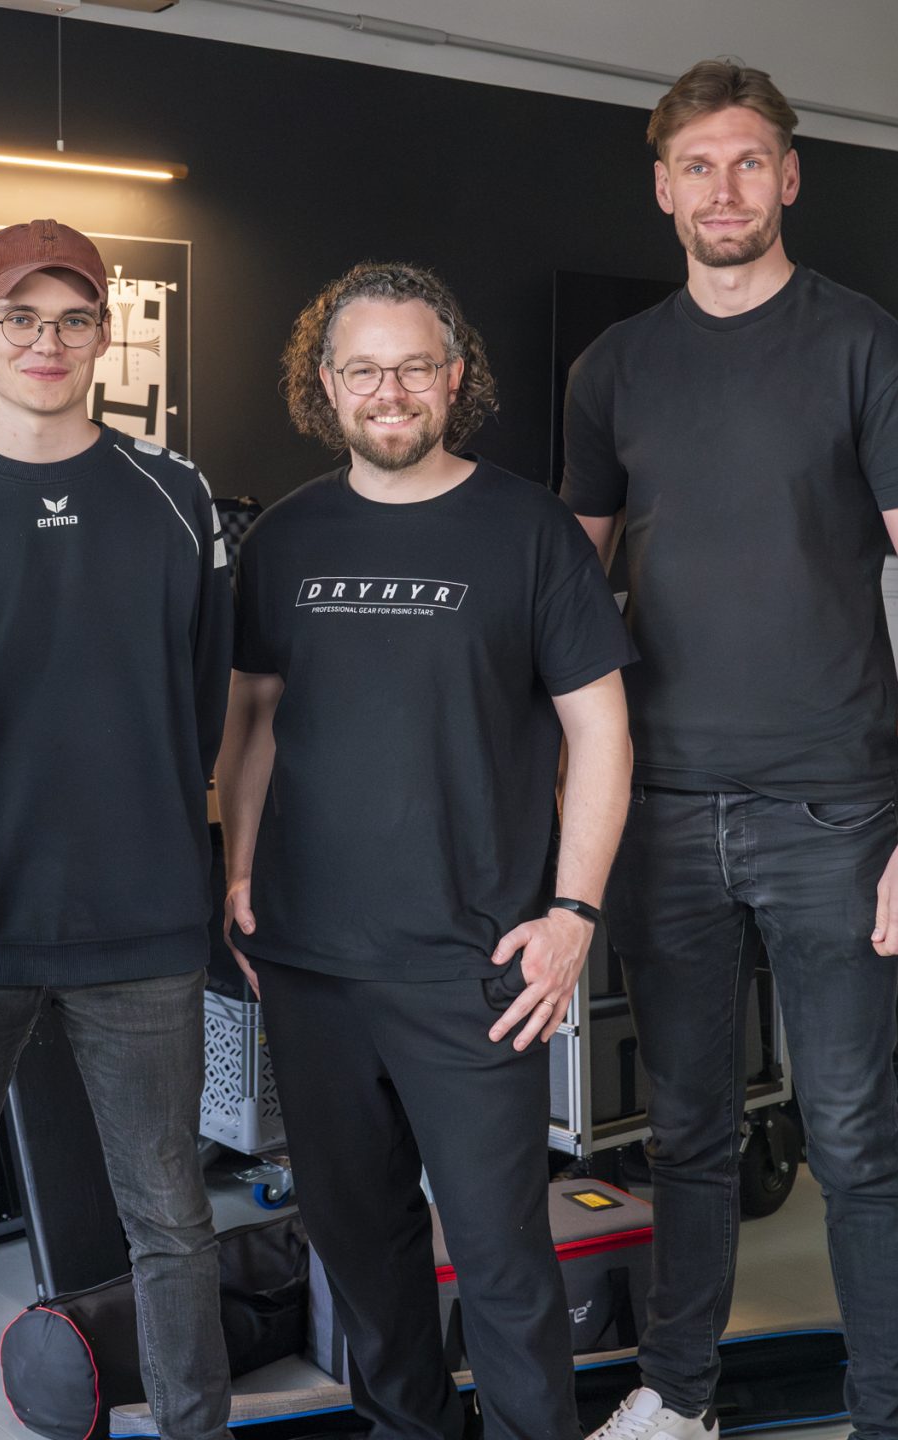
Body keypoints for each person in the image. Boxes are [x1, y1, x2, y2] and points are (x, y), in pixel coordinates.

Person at [566, 60, 898, 1440]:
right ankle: (679, 1399)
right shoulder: (613, 370)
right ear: (662, 189)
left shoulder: (865, 349)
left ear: (788, 176)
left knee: (855, 1141)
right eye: (696, 166)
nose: (723, 189)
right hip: (661, 810)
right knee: (686, 1137)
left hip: (835, 811)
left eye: (746, 162)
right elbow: (562, 603)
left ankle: (890, 1417)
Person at [220, 261, 636, 1440]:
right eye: (363, 370)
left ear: (455, 377)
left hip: (474, 967)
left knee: (502, 1262)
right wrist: (239, 873)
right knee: (360, 1252)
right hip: (311, 965)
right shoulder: (286, 538)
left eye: (413, 367)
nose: (388, 391)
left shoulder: (528, 530)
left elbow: (601, 730)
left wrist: (573, 915)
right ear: (326, 384)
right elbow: (253, 716)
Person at [0, 220, 234, 1440]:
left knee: (170, 1217)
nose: (46, 342)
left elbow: (205, 702)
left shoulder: (173, 495)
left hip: (143, 924)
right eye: (20, 318)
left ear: (104, 334)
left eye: (73, 318)